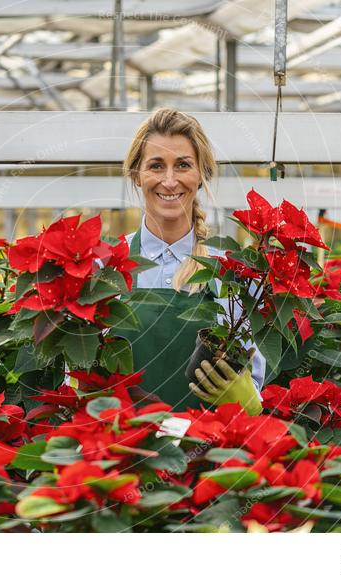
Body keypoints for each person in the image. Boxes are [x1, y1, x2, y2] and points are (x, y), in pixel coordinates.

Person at [115, 107, 265, 414]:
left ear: (200, 175)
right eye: (156, 166)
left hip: (208, 454)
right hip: (122, 451)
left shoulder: (230, 272)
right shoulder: (108, 266)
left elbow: (255, 379)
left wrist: (248, 400)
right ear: (136, 175)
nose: (169, 181)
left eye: (183, 165)